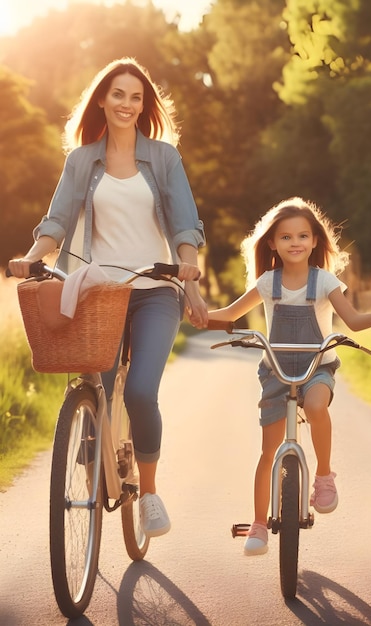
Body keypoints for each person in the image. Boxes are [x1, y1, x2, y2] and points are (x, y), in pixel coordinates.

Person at [8, 57, 209, 538]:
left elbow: (184, 223)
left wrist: (191, 277)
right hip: (99, 292)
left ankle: (151, 494)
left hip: (155, 289)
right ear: (102, 99)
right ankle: (97, 439)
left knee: (140, 390)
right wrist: (33, 255)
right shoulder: (82, 160)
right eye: (118, 94)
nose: (127, 103)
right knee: (95, 383)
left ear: (145, 106)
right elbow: (56, 219)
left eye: (136, 97)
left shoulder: (163, 158)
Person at [205, 197, 371, 555]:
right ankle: (259, 523)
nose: (295, 242)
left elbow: (354, 321)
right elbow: (228, 314)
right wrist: (195, 312)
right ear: (272, 243)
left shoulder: (324, 282)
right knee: (268, 451)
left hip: (316, 365)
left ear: (316, 241)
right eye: (286, 237)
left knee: (317, 405)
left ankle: (324, 475)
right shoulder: (267, 282)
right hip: (276, 369)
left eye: (303, 235)